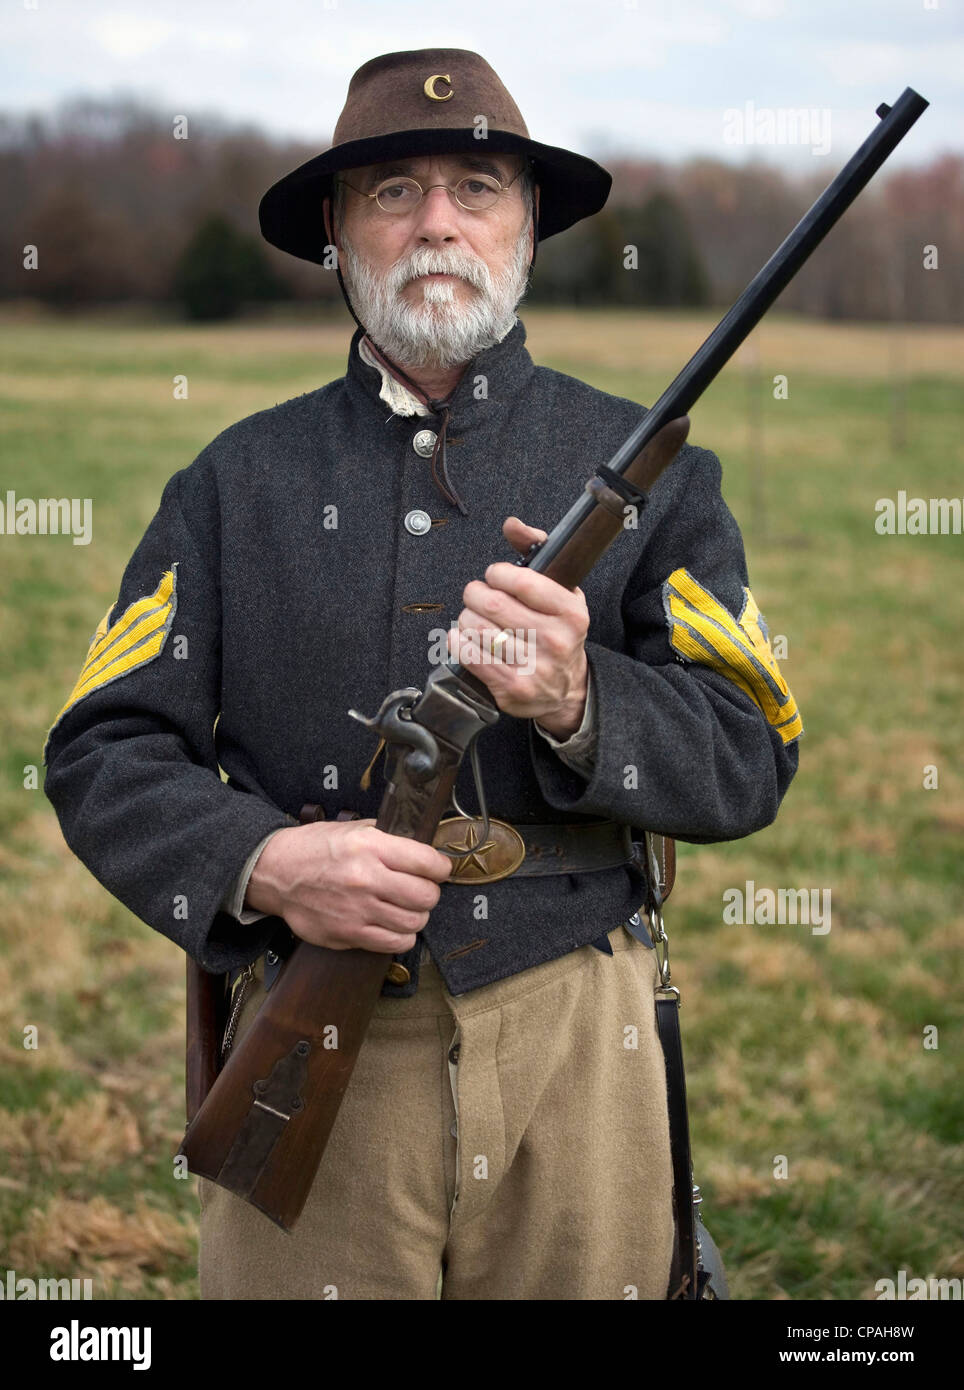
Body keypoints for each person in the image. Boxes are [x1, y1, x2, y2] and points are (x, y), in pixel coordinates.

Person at [43, 48, 800, 1300]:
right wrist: (264, 863)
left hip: (577, 1036)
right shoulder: (234, 481)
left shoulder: (651, 471)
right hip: (317, 1024)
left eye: (477, 185)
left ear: (529, 225)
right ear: (337, 235)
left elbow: (749, 753)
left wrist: (577, 696)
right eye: (391, 191)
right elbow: (101, 751)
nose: (436, 219)